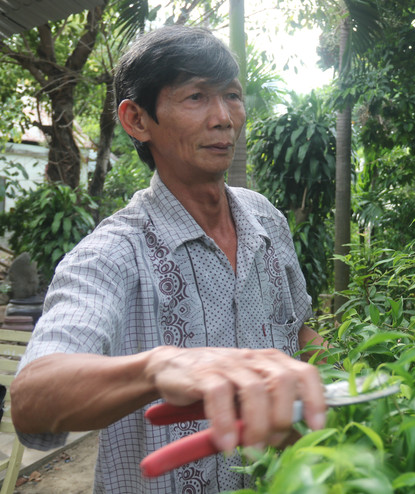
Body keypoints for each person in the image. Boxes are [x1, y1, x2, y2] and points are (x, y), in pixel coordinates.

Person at [10, 25, 328, 493]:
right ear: (136, 120)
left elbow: (298, 330)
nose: (223, 118)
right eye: (196, 97)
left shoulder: (266, 220)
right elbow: (33, 397)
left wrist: (339, 389)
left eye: (232, 96)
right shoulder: (111, 254)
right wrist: (157, 366)